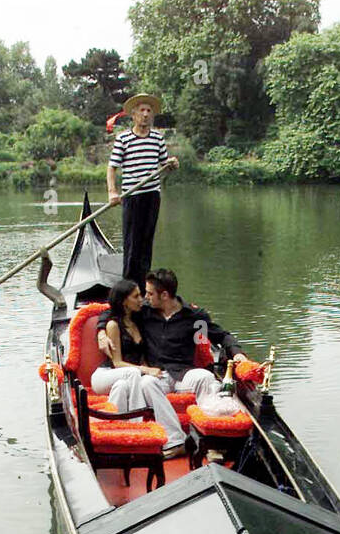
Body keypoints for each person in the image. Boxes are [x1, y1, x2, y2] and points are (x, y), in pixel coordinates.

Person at [90, 278, 188, 457]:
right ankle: (138, 429)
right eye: (136, 296)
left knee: (123, 387)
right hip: (105, 374)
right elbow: (117, 363)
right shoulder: (113, 325)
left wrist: (150, 370)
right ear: (124, 301)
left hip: (125, 378)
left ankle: (115, 435)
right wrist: (146, 370)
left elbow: (141, 357)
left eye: (142, 295)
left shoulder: (139, 321)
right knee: (133, 374)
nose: (141, 299)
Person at [137, 268, 250, 415]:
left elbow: (221, 336)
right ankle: (171, 427)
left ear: (164, 295)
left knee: (205, 377)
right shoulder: (145, 311)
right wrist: (101, 331)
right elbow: (115, 310)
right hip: (157, 376)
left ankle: (213, 421)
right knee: (146, 383)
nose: (146, 297)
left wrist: (237, 354)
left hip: (183, 375)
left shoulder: (194, 317)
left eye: (150, 293)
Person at [107, 94, 178, 289]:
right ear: (134, 115)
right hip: (132, 196)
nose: (146, 114)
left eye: (149, 111)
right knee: (132, 244)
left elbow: (164, 164)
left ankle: (143, 288)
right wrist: (113, 192)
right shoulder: (123, 139)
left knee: (146, 243)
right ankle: (128, 289)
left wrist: (172, 163)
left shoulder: (157, 138)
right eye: (142, 111)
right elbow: (112, 167)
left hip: (152, 196)